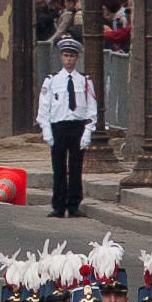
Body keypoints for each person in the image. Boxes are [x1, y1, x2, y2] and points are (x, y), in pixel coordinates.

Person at [37, 48, 100, 218]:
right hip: (58, 127)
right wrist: (46, 130)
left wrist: (88, 131)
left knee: (75, 167)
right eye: (66, 56)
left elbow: (91, 109)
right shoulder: (52, 80)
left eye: (72, 56)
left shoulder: (85, 81)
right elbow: (44, 107)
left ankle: (73, 205)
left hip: (77, 127)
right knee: (58, 168)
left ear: (76, 58)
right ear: (61, 57)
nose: (69, 59)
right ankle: (58, 206)